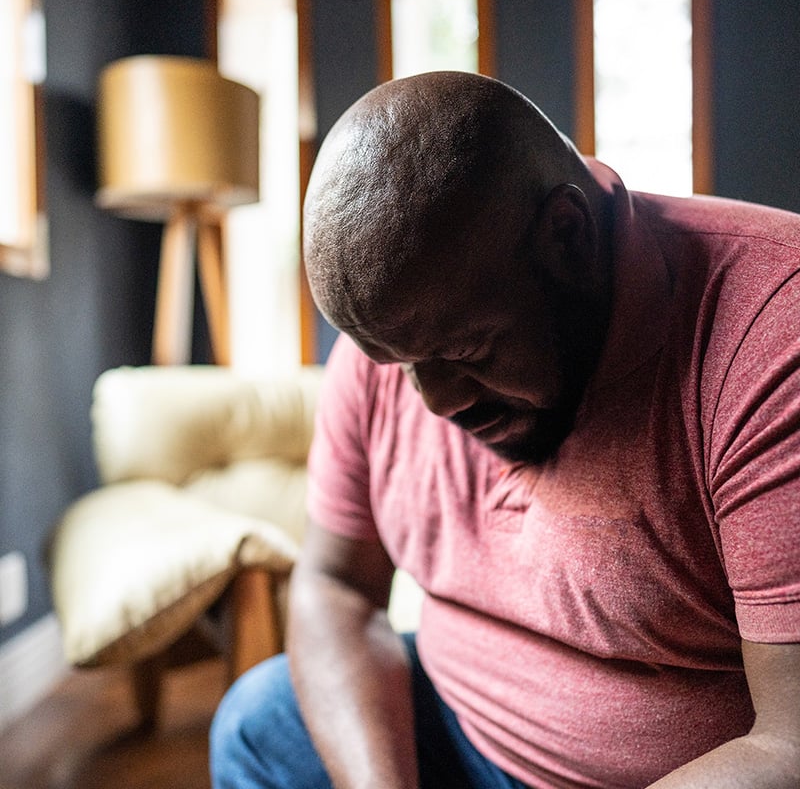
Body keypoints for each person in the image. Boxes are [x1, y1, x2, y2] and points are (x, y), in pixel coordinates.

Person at [210, 71, 800, 788]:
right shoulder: (401, 325)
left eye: (467, 353)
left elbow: (788, 748)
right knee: (259, 719)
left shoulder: (772, 334)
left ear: (567, 236)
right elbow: (334, 586)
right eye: (400, 364)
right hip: (459, 726)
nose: (433, 399)